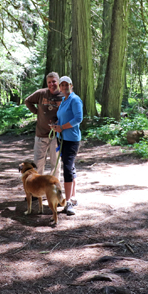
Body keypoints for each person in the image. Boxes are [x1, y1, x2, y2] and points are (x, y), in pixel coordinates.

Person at [49, 76, 83, 216]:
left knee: (67, 168)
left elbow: (78, 118)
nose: (64, 87)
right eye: (61, 85)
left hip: (71, 139)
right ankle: (73, 197)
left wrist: (62, 127)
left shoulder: (75, 99)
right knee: (70, 166)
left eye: (66, 85)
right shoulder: (64, 100)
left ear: (71, 85)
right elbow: (64, 116)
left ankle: (67, 202)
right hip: (61, 138)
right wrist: (57, 124)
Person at [24, 72, 63, 175]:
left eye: (54, 81)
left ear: (58, 82)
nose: (52, 84)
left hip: (56, 135)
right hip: (41, 134)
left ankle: (54, 186)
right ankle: (38, 187)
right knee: (38, 163)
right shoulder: (41, 93)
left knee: (55, 163)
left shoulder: (63, 95)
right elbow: (27, 101)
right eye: (49, 82)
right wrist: (36, 111)